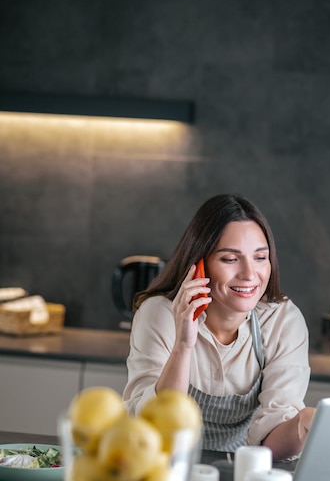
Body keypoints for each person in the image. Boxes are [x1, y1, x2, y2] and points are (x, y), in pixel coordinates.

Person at [123, 194, 315, 460]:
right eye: (230, 259)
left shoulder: (282, 320)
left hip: (242, 472)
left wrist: (302, 424)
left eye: (260, 257)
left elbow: (272, 446)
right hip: (163, 469)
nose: (249, 274)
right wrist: (183, 345)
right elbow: (155, 426)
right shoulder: (160, 314)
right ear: (199, 264)